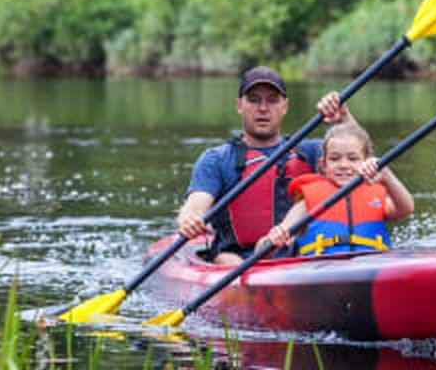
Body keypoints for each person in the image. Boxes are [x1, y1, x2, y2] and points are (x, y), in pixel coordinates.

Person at [176, 66, 352, 265]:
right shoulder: (217, 159)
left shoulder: (313, 153)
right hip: (238, 263)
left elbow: (363, 163)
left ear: (284, 106)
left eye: (272, 100)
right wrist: (189, 219)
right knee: (228, 260)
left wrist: (344, 120)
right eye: (254, 100)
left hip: (307, 259)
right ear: (239, 105)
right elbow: (195, 206)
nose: (263, 108)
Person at [256, 119, 414, 256]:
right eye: (335, 159)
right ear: (323, 165)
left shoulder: (375, 194)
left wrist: (387, 176)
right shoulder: (309, 199)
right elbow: (287, 226)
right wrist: (277, 234)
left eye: (353, 159)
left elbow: (406, 208)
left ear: (366, 161)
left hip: (370, 265)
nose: (344, 165)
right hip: (322, 270)